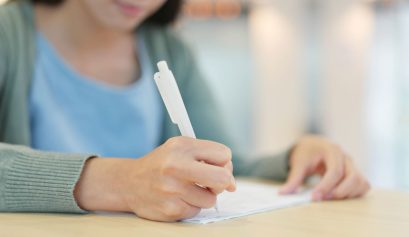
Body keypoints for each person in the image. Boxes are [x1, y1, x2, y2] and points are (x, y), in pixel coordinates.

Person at [0, 0, 370, 222]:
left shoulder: (170, 50)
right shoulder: (9, 35)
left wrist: (294, 163)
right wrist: (122, 183)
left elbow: (223, 168)